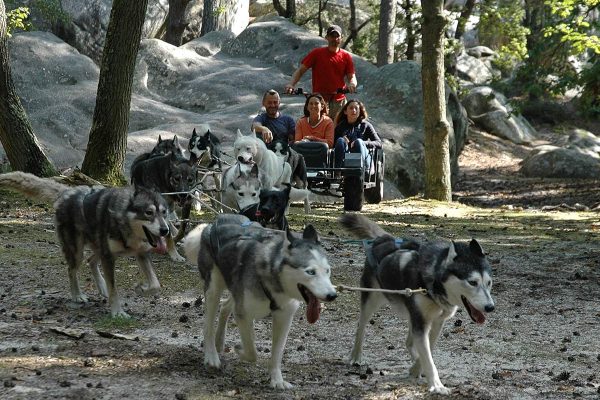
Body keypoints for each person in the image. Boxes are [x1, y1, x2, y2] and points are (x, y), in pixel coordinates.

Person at [284, 25, 357, 119]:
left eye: (337, 36)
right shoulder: (317, 53)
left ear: (341, 38)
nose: (335, 39)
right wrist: (291, 84)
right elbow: (301, 70)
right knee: (318, 128)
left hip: (339, 101)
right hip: (318, 101)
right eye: (332, 36)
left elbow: (352, 77)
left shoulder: (346, 56)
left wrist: (352, 84)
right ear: (326, 37)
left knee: (339, 130)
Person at [333, 99, 382, 169]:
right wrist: (343, 142)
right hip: (346, 159)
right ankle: (337, 172)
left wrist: (363, 143)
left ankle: (359, 172)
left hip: (363, 161)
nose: (354, 110)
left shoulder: (366, 125)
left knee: (358, 142)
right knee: (340, 140)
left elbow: (379, 143)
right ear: (345, 111)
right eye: (351, 108)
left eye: (356, 108)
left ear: (360, 111)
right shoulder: (340, 127)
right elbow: (332, 145)